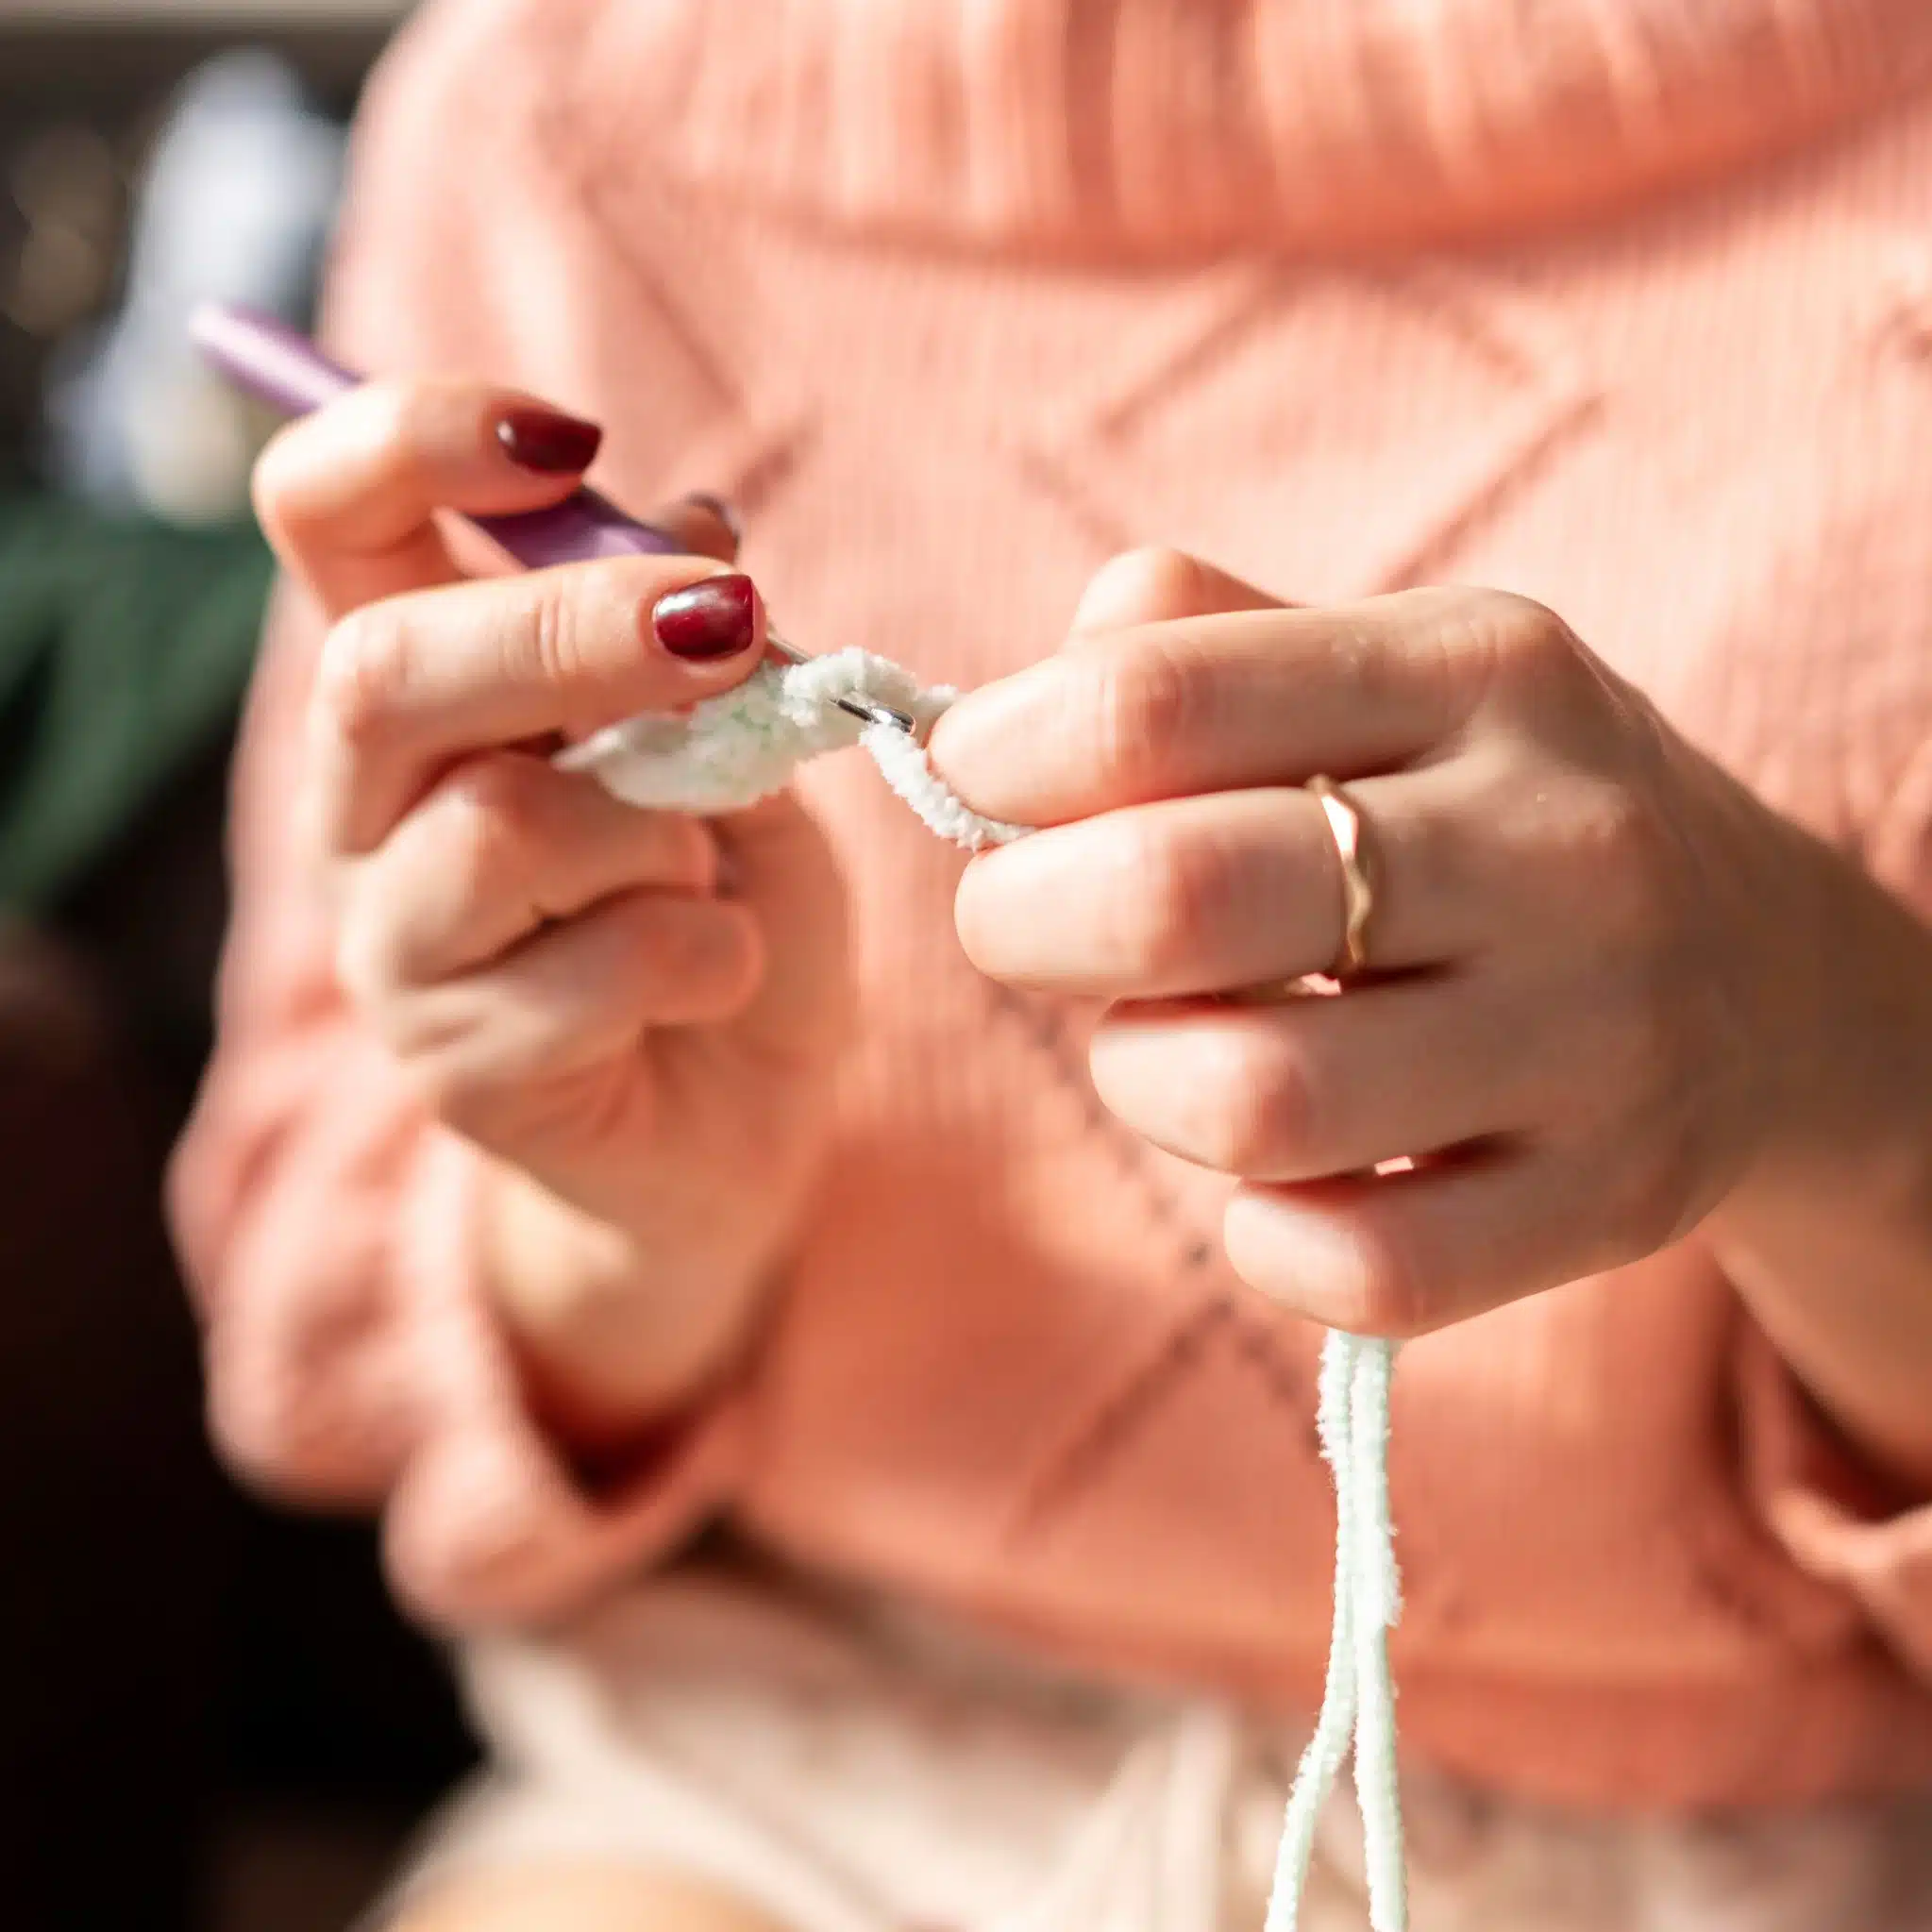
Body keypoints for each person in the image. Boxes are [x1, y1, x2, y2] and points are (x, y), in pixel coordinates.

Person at [170, 2, 1932, 1926]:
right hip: (767, 1793)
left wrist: (1839, 1060)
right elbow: (318, 1305)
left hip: (1722, 1852)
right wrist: (635, 1225)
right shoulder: (548, 110)